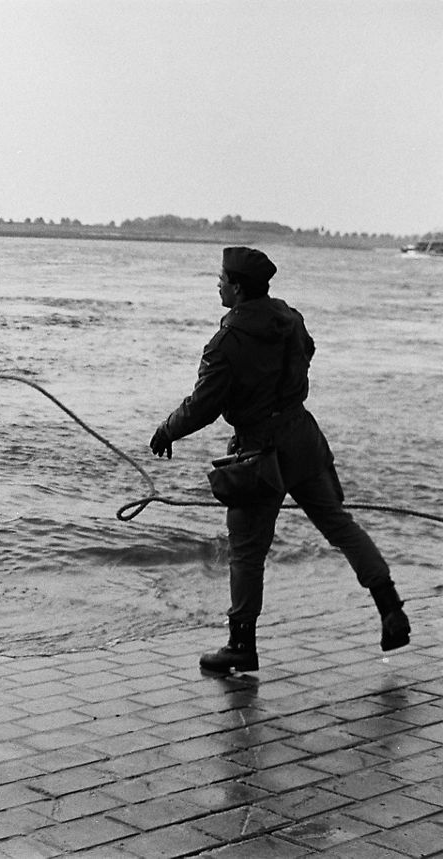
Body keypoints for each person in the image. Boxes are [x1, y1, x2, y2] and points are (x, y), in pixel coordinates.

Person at [150, 247, 410, 673]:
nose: (217, 284)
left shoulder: (226, 342)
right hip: (303, 439)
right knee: (340, 526)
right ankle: (391, 608)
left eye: (220, 279)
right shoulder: (290, 319)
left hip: (258, 456)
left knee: (247, 551)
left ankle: (241, 645)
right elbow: (307, 352)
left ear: (236, 287)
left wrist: (166, 431)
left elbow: (203, 405)